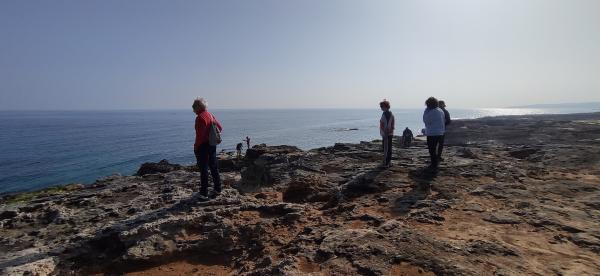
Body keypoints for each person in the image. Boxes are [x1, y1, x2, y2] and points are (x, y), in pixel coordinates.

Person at [192, 98, 222, 198]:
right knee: (213, 167)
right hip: (212, 145)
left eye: (194, 106)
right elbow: (220, 128)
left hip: (203, 146)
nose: (193, 109)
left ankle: (204, 193)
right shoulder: (210, 115)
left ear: (198, 107)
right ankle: (218, 189)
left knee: (203, 169)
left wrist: (196, 147)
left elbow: (200, 136)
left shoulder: (200, 118)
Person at [423, 97, 445, 169]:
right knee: (436, 149)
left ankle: (434, 165)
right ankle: (435, 163)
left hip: (432, 133)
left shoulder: (431, 112)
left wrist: (426, 111)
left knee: (432, 150)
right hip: (440, 132)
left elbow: (426, 120)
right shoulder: (440, 110)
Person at [379, 99, 395, 167]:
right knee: (389, 147)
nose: (381, 108)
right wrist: (391, 130)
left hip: (386, 134)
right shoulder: (391, 114)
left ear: (386, 107)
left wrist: (385, 131)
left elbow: (382, 124)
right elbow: (392, 125)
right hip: (390, 133)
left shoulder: (385, 114)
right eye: (381, 107)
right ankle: (388, 162)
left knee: (386, 148)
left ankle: (386, 163)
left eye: (382, 107)